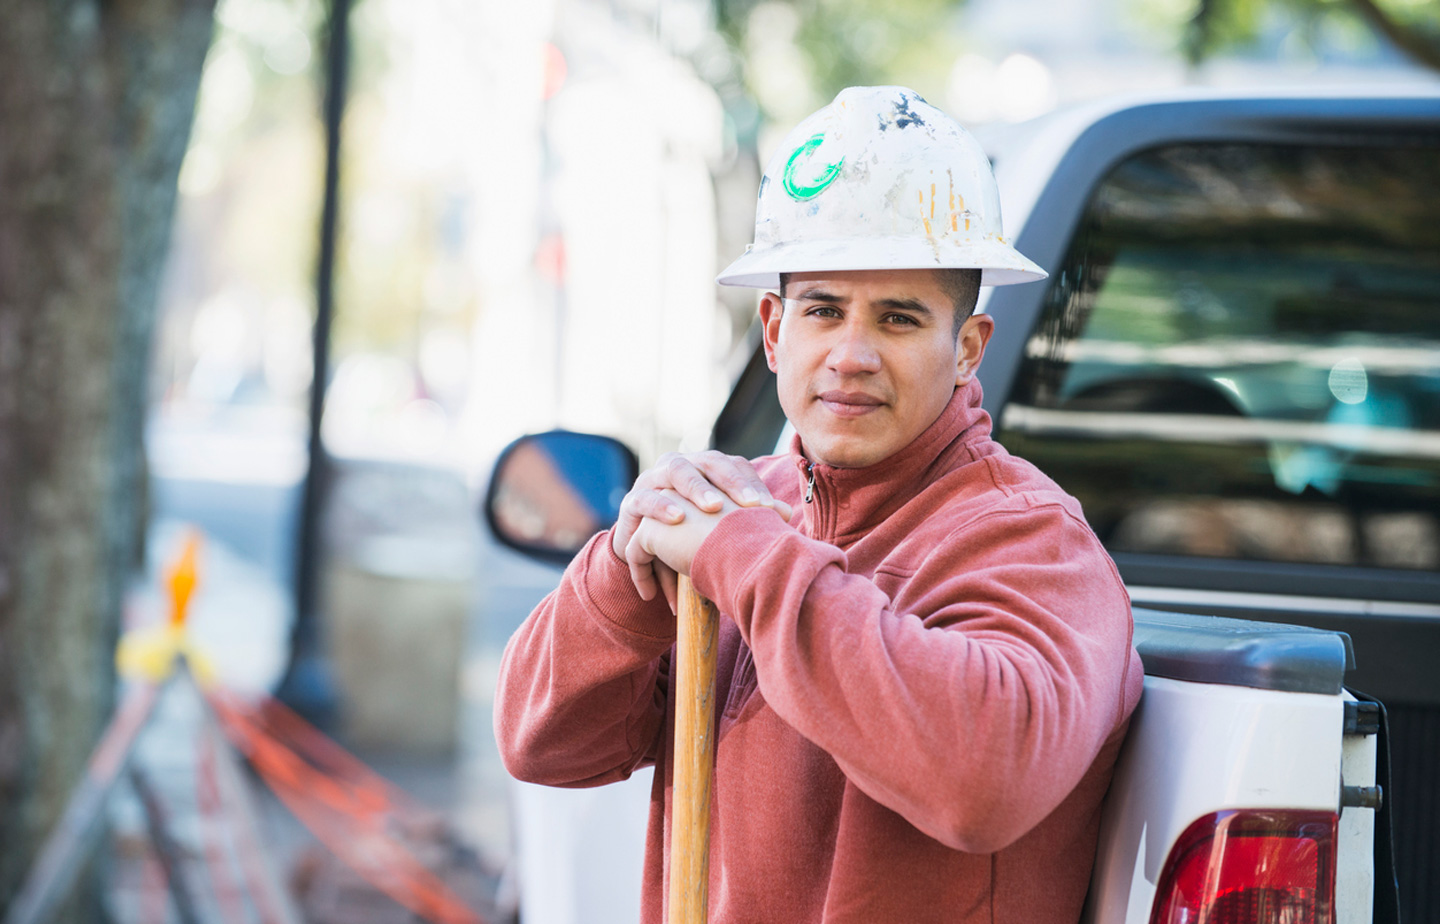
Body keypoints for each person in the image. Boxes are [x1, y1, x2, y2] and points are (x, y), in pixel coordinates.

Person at [495, 86, 1144, 924]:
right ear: (774, 332)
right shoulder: (733, 512)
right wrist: (620, 582)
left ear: (966, 349)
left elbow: (984, 780)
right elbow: (543, 743)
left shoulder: (1027, 539)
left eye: (901, 319)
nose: (852, 354)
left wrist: (748, 558)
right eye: (824, 310)